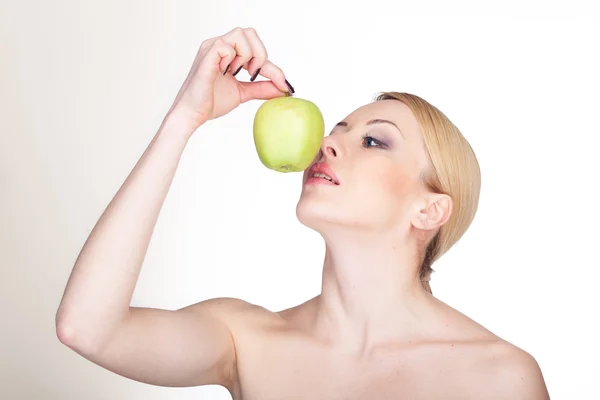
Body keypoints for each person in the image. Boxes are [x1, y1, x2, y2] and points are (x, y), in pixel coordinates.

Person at [55, 27, 550, 399]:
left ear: (430, 209)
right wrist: (185, 118)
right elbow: (88, 328)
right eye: (335, 130)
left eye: (374, 141)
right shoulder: (244, 339)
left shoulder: (499, 378)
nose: (327, 143)